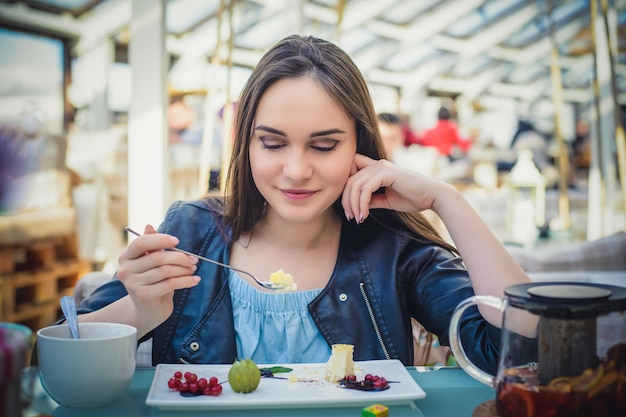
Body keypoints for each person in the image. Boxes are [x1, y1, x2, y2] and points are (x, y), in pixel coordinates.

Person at [66, 35, 531, 374]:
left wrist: (446, 200)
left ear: (358, 147)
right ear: (246, 145)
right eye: (272, 144)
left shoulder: (392, 249)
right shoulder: (190, 230)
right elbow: (54, 357)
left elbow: (524, 353)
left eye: (324, 146)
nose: (296, 170)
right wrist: (139, 312)